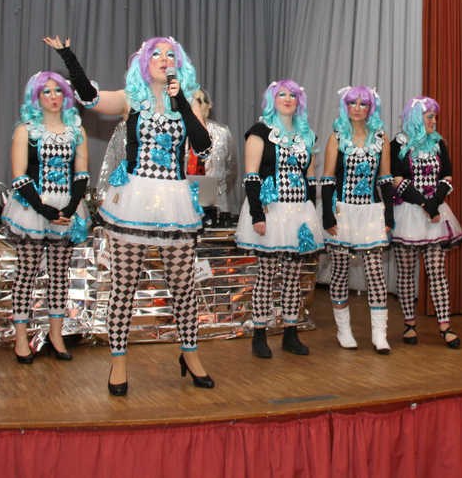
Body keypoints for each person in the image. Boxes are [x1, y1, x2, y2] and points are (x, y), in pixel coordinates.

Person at [45, 35, 214, 396]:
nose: (164, 59)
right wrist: (68, 56)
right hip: (135, 201)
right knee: (124, 287)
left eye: (171, 55)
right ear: (144, 61)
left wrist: (181, 102)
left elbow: (203, 147)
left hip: (174, 202)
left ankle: (190, 355)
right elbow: (90, 98)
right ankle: (119, 362)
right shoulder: (131, 98)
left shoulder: (186, 100)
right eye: (157, 54)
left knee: (183, 287)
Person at [0, 71, 90, 364]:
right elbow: (19, 175)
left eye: (58, 91)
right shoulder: (26, 131)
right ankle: (21, 337)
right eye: (46, 92)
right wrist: (44, 210)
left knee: (59, 275)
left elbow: (82, 172)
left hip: (65, 209)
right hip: (32, 209)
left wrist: (70, 207)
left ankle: (56, 335)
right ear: (36, 97)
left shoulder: (76, 130)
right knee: (26, 273)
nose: (53, 97)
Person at [235, 79, 324, 358]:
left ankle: (290, 333)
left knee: (293, 277)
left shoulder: (307, 135)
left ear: (299, 102)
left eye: (293, 95)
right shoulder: (260, 132)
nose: (287, 99)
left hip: (298, 212)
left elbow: (310, 177)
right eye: (282, 94)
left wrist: (310, 212)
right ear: (272, 100)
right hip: (270, 212)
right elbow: (251, 176)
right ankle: (259, 334)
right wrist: (257, 215)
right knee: (266, 275)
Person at [320, 86, 394, 354]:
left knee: (376, 273)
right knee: (340, 271)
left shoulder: (381, 138)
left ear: (371, 108)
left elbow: (385, 179)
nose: (358, 108)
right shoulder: (336, 138)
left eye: (364, 104)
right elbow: (328, 178)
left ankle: (379, 335)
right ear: (346, 106)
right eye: (353, 103)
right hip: (343, 211)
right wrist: (327, 214)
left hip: (371, 212)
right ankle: (344, 330)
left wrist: (389, 214)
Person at [390, 96, 462, 349]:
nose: (434, 121)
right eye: (429, 116)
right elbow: (396, 180)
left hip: (435, 213)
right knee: (406, 272)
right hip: (408, 214)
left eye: (435, 117)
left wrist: (434, 204)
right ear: (415, 118)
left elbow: (447, 176)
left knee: (437, 272)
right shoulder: (398, 143)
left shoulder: (438, 143)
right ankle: (409, 324)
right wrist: (424, 204)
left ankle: (445, 326)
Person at [186, 87, 236, 215]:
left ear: (209, 105)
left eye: (198, 101)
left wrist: (217, 187)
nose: (194, 106)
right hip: (183, 199)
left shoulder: (223, 132)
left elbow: (231, 168)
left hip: (217, 201)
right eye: (190, 102)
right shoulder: (178, 131)